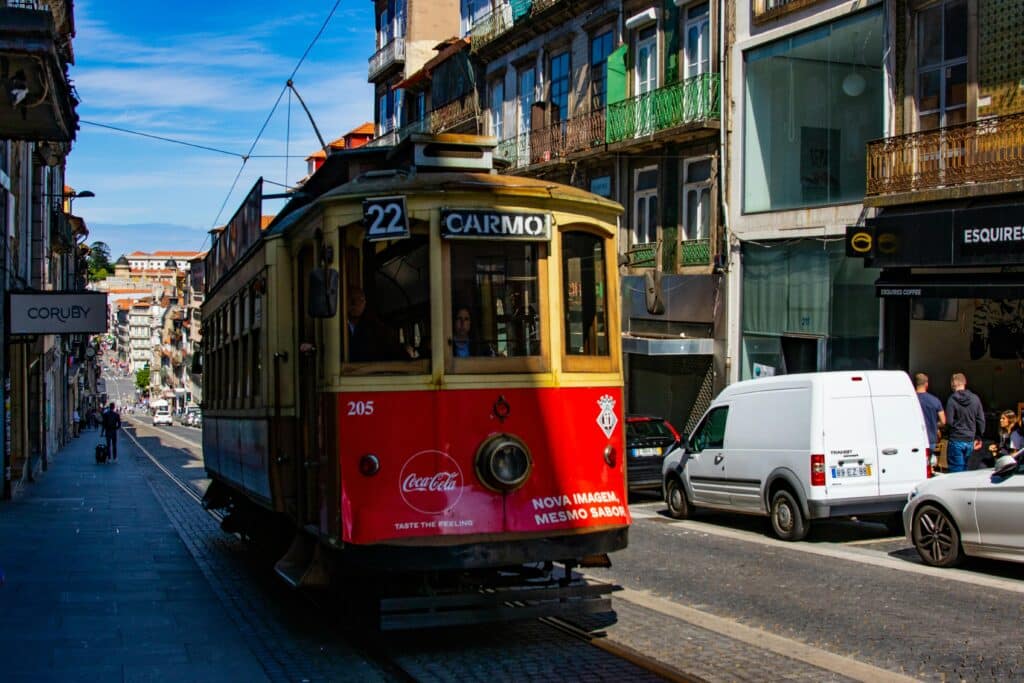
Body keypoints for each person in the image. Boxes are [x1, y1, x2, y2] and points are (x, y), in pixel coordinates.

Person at [945, 373, 985, 473]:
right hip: (970, 439)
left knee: (956, 471)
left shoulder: (951, 400)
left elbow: (949, 422)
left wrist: (952, 430)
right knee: (968, 471)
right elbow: (981, 420)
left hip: (956, 439)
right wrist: (979, 436)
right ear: (965, 383)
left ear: (952, 385)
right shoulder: (975, 399)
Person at [914, 373, 945, 458]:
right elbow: (943, 421)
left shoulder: (910, 399)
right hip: (931, 439)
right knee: (928, 462)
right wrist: (935, 425)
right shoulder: (935, 400)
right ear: (926, 384)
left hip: (915, 440)